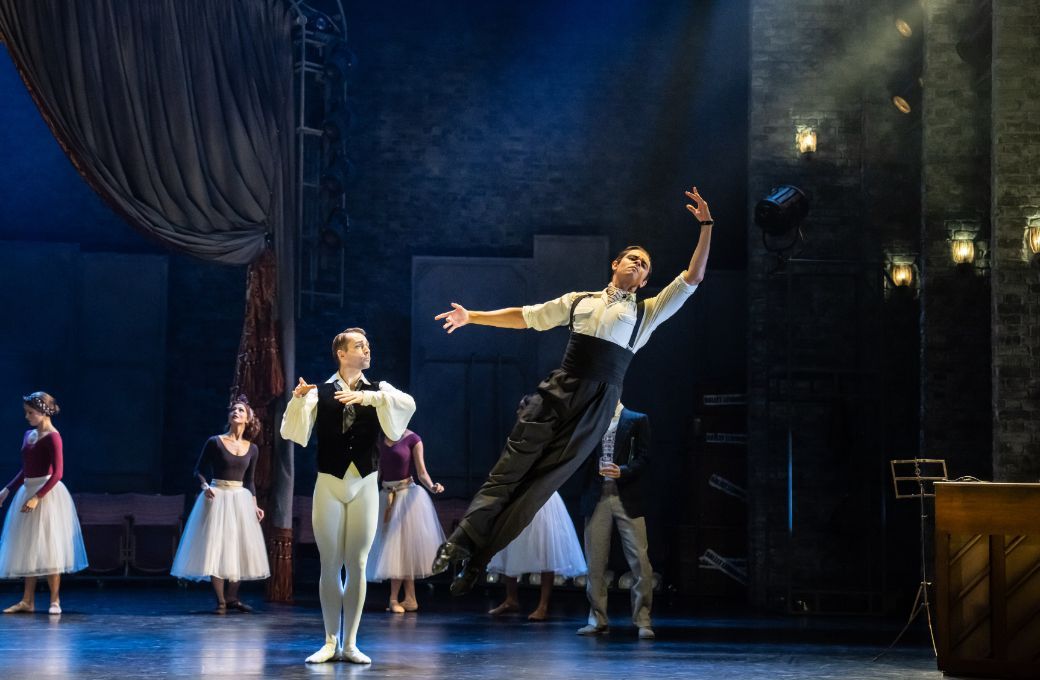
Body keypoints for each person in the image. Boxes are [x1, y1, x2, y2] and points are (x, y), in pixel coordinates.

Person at [432, 185, 713, 595]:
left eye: (645, 264)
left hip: (596, 407)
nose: (637, 263)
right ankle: (458, 545)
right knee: (507, 473)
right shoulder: (579, 301)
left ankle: (477, 559)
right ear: (615, 263)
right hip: (557, 393)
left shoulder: (646, 313)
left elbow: (694, 277)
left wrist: (706, 224)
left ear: (647, 279)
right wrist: (472, 316)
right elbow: (526, 318)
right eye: (632, 257)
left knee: (537, 489)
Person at [280, 327, 416, 664]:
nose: (367, 350)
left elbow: (406, 407)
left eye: (368, 345)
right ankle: (329, 640)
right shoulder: (319, 392)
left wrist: (368, 398)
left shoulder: (379, 390)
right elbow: (292, 431)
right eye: (359, 346)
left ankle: (351, 642)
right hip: (329, 483)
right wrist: (298, 400)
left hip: (365, 484)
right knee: (331, 563)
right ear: (341, 353)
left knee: (356, 563)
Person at [171, 396, 270, 613]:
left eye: (241, 411)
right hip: (218, 496)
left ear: (248, 419)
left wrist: (255, 505)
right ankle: (221, 601)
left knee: (239, 547)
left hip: (240, 498)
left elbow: (250, 481)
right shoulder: (215, 441)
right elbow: (198, 470)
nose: (236, 412)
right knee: (216, 547)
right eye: (233, 410)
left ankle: (233, 597)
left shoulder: (252, 449)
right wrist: (205, 486)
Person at [0, 392, 88, 615]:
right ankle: (27, 600)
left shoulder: (53, 436)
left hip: (47, 494)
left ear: (43, 412)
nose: (27, 416)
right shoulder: (29, 435)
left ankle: (55, 600)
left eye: (30, 412)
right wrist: (7, 489)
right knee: (28, 545)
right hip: (28, 489)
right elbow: (26, 469)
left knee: (50, 546)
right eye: (26, 412)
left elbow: (58, 473)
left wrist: (38, 497)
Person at [577, 401, 655, 639]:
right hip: (597, 495)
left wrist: (623, 470)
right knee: (595, 562)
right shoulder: (592, 421)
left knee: (640, 560)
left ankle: (643, 619)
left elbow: (645, 457)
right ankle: (597, 618)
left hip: (626, 496)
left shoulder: (637, 418)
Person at [365, 428, 446, 613]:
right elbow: (378, 472)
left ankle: (393, 598)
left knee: (399, 547)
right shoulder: (380, 439)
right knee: (397, 549)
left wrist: (433, 487)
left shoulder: (413, 439)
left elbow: (422, 472)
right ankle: (410, 598)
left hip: (406, 497)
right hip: (386, 498)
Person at [487, 491, 586, 621]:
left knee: (546, 548)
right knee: (510, 544)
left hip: (543, 497)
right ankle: (511, 599)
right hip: (519, 496)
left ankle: (543, 606)